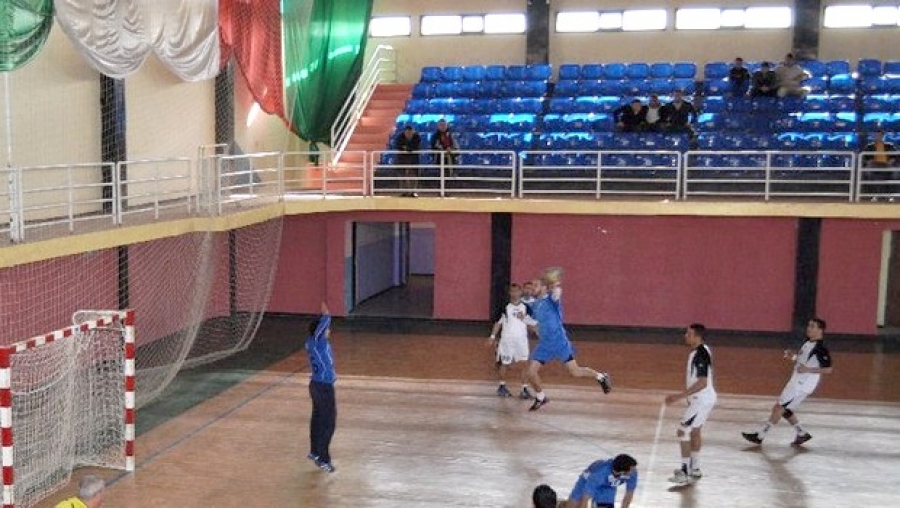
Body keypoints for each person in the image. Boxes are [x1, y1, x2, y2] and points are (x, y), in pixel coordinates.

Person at [525, 267, 611, 411]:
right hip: (545, 344)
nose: (533, 288)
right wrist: (526, 321)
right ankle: (541, 397)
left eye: (535, 285)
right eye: (532, 285)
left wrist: (555, 284)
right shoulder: (535, 304)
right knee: (530, 373)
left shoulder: (551, 300)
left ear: (544, 287)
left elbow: (557, 293)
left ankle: (601, 376)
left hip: (560, 342)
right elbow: (533, 322)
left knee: (575, 372)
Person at [742, 318, 833, 446]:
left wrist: (808, 370)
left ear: (820, 330)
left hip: (801, 384)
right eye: (808, 326)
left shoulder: (820, 348)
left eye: (812, 326)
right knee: (785, 409)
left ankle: (760, 436)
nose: (808, 328)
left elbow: (828, 369)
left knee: (779, 408)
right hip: (798, 381)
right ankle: (802, 433)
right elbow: (803, 360)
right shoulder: (808, 342)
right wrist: (793, 357)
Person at [665, 324, 717, 486]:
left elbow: (702, 382)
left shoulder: (700, 355)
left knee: (682, 431)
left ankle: (684, 472)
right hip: (705, 399)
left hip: (700, 401)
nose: (685, 336)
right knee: (695, 431)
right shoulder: (703, 351)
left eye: (689, 334)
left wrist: (679, 396)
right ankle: (695, 468)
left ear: (697, 337)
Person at [489, 283, 537, 399]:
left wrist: (537, 331)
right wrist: (492, 337)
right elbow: (498, 323)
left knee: (524, 363)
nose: (515, 293)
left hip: (522, 340)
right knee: (505, 363)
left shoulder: (526, 308)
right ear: (509, 293)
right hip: (507, 340)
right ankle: (502, 386)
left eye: (517, 291)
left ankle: (524, 389)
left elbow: (533, 323)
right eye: (512, 291)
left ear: (521, 292)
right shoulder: (504, 307)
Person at [306, 302, 338, 472]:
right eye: (326, 328)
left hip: (315, 385)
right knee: (328, 423)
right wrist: (326, 313)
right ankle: (323, 459)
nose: (329, 330)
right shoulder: (318, 341)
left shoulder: (311, 342)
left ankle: (314, 451)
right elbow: (324, 323)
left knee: (317, 419)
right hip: (323, 388)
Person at [566, 454, 638, 508]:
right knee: (574, 504)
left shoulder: (632, 473)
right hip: (586, 481)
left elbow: (629, 494)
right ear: (622, 471)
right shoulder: (600, 474)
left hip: (608, 487)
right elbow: (585, 498)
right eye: (631, 469)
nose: (634, 470)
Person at [862, 129, 898, 199]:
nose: (878, 137)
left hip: (887, 164)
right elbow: (867, 158)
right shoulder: (869, 146)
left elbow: (894, 156)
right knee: (869, 171)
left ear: (883, 136)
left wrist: (890, 162)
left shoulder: (890, 145)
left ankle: (891, 195)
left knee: (895, 172)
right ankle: (873, 195)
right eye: (877, 135)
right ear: (874, 136)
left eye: (880, 135)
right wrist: (871, 163)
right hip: (874, 164)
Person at [394, 125, 421, 197]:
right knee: (402, 175)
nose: (409, 134)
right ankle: (404, 191)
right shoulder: (399, 137)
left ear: (413, 132)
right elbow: (398, 147)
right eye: (407, 133)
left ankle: (413, 192)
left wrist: (406, 148)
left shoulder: (417, 137)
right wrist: (409, 148)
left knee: (414, 175)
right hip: (401, 158)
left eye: (410, 133)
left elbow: (415, 147)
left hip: (414, 159)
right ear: (404, 132)